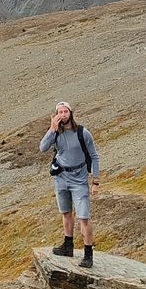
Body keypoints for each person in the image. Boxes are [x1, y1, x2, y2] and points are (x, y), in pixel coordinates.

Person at [39, 101, 99, 264]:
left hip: (79, 179)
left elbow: (94, 156)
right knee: (66, 212)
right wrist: (52, 128)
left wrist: (96, 181)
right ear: (56, 115)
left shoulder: (82, 132)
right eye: (60, 112)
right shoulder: (55, 133)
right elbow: (43, 148)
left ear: (71, 113)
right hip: (61, 178)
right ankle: (68, 246)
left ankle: (88, 255)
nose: (63, 115)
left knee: (83, 217)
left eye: (65, 111)